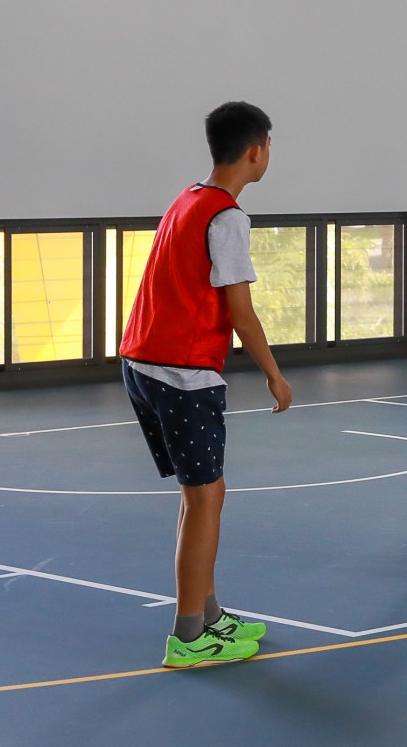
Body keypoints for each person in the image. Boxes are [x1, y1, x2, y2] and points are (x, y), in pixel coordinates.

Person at [119, 101, 293, 668]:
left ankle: (208, 614)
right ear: (256, 150)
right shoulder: (229, 218)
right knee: (204, 500)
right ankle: (189, 637)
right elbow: (240, 312)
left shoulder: (187, 199)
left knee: (203, 497)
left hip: (142, 361)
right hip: (181, 372)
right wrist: (273, 372)